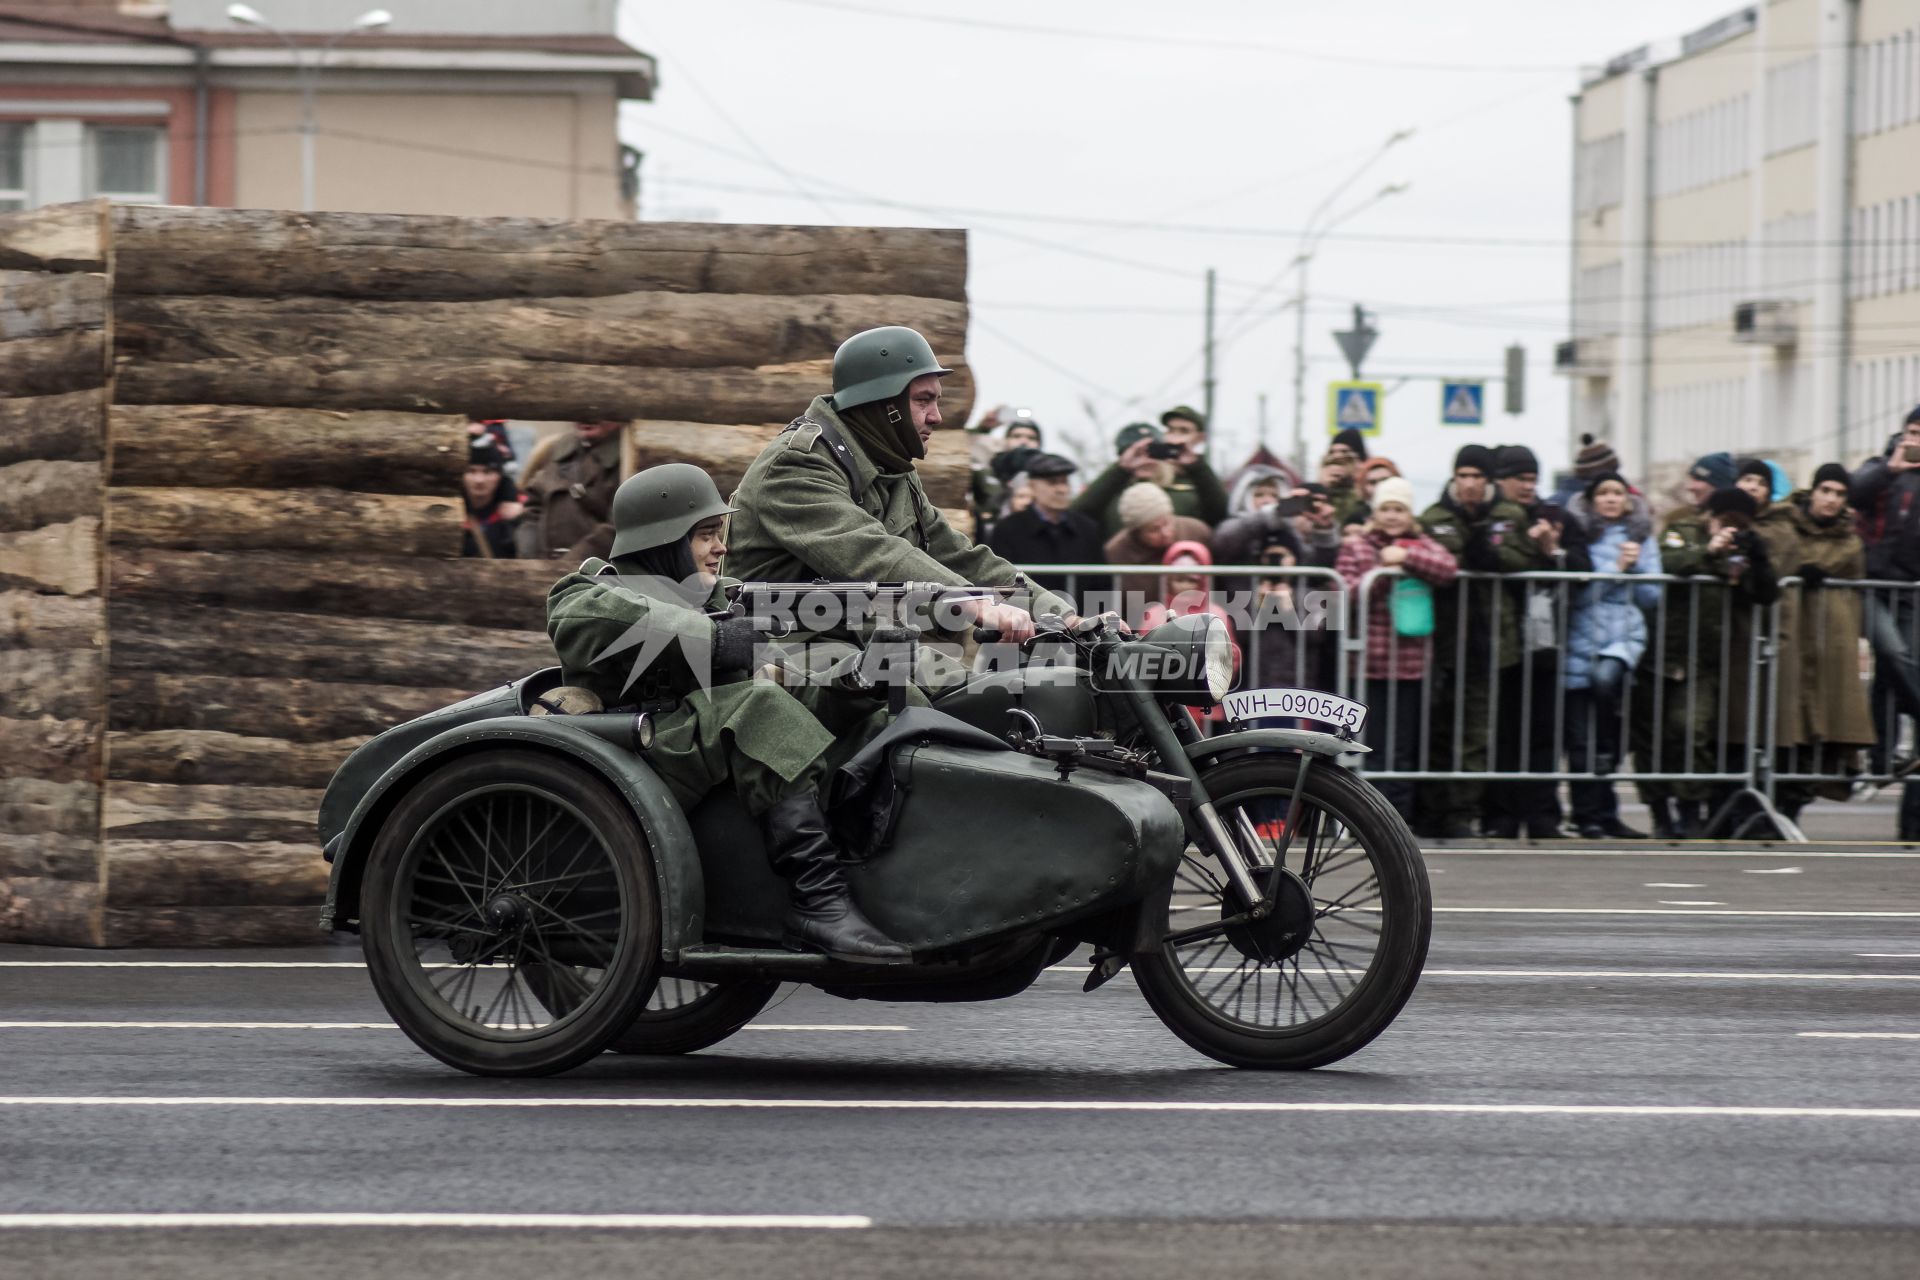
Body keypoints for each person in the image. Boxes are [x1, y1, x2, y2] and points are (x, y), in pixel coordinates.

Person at [546, 463, 910, 962]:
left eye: (720, 534)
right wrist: (717, 637)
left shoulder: (717, 600)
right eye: (704, 536)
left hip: (693, 747)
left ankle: (874, 864)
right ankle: (818, 898)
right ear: (661, 542)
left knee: (836, 700)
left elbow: (783, 685)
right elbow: (606, 622)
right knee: (754, 706)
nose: (721, 547)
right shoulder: (589, 594)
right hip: (633, 754)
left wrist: (863, 679)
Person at [726, 326, 1067, 644]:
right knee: (934, 702)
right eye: (923, 400)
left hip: (860, 648)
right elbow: (868, 552)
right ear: (884, 404)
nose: (936, 416)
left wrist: (1061, 615)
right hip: (781, 652)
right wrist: (973, 602)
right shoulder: (797, 465)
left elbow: (956, 554)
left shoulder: (889, 466)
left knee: (980, 698)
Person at [1417, 443, 1552, 838]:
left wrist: (1488, 554)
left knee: (1476, 734)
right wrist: (1474, 553)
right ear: (1454, 477)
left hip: (1492, 640)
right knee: (1439, 728)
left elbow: (1520, 558)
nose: (1471, 483)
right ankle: (1432, 809)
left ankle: (1463, 811)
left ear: (1488, 480)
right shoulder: (1436, 515)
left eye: (1478, 476)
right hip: (1443, 640)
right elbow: (1439, 558)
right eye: (1464, 475)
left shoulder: (1509, 514)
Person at [1336, 476, 1458, 824]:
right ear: (1375, 512)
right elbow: (1346, 593)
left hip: (1409, 666)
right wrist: (1383, 572)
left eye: (1399, 509)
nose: (1392, 516)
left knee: (1402, 751)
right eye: (1386, 508)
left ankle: (1398, 823)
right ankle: (1367, 822)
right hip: (1368, 667)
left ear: (1409, 513)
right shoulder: (1357, 546)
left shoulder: (1421, 544)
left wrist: (1406, 555)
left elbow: (1447, 568)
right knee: (1368, 748)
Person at [1484, 443, 1589, 839]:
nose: (1527, 487)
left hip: (1545, 644)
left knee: (1545, 731)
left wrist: (1553, 552)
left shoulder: (1556, 517)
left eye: (1532, 479)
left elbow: (1583, 568)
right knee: (1504, 731)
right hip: (1503, 642)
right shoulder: (1497, 518)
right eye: (1519, 479)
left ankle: (1544, 816)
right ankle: (1501, 816)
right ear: (1502, 481)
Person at [1631, 453, 1734, 838]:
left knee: (1692, 730)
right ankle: (1660, 813)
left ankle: (1691, 811)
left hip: (1703, 655)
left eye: (1701, 480)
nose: (1692, 486)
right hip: (1661, 648)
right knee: (1651, 736)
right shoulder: (1679, 524)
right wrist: (1707, 554)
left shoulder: (1739, 526)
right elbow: (1667, 562)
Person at [1771, 464, 1876, 822]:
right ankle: (1771, 810)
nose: (1831, 500)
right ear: (1813, 491)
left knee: (1823, 734)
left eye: (1840, 493)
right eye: (1826, 490)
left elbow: (1855, 588)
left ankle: (1792, 809)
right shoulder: (1784, 524)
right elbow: (1776, 560)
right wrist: (1798, 571)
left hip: (1829, 645)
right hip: (1789, 640)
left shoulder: (1849, 540)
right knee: (1785, 725)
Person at [1564, 473, 1663, 838]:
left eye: (1617, 493)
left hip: (1621, 639)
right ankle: (1586, 814)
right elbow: (1580, 592)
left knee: (1609, 720)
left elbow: (1653, 597)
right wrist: (1615, 570)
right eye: (1603, 492)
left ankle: (1608, 813)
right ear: (1591, 499)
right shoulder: (1578, 534)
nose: (1610, 499)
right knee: (1581, 737)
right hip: (1580, 639)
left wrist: (1635, 569)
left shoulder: (1640, 536)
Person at [1072, 419, 1229, 536]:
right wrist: (1120, 471)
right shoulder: (1109, 494)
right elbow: (1076, 516)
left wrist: (1197, 467)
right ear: (1123, 456)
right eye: (1137, 453)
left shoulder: (1185, 488)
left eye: (1152, 451)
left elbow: (1221, 514)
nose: (1146, 460)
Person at [986, 452, 1107, 598]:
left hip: (1080, 616)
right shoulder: (1008, 529)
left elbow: (1102, 583)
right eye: (1053, 482)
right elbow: (1001, 581)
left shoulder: (1087, 528)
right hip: (1028, 616)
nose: (1062, 489)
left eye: (1064, 482)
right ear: (1032, 486)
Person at [515, 419, 624, 561]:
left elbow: (619, 528)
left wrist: (568, 567)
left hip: (597, 574)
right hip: (543, 568)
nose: (586, 416)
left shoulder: (630, 458)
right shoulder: (555, 450)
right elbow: (532, 511)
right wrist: (530, 559)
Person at [1102, 482, 1213, 615]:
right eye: (1154, 529)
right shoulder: (1116, 552)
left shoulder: (1196, 531)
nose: (1165, 532)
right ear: (1136, 531)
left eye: (1167, 522)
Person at [461, 434, 523, 559]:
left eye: (487, 472)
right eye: (471, 471)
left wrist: (516, 521)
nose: (479, 480)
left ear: (500, 476)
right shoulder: (449, 511)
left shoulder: (518, 510)